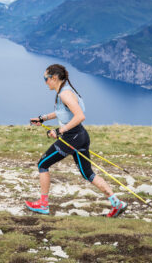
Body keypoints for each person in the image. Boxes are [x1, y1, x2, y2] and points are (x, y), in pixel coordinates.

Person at [26, 64, 127, 218]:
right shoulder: (65, 91)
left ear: (54, 78)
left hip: (71, 138)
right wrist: (42, 118)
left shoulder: (65, 94)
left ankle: (43, 204)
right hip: (80, 136)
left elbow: (80, 116)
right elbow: (62, 112)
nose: (45, 82)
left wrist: (60, 130)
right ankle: (116, 203)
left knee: (42, 164)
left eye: (45, 78)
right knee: (88, 174)